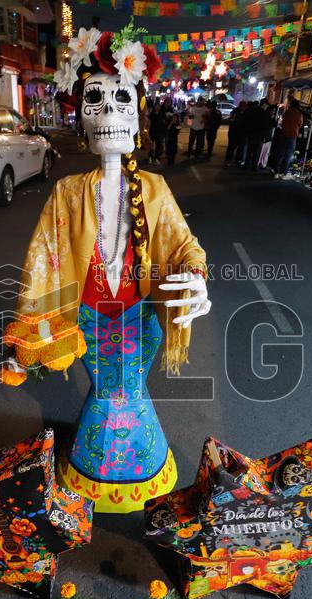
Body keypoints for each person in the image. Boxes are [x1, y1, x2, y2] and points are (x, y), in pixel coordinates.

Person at [18, 26, 211, 514]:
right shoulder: (67, 192)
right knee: (108, 391)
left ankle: (110, 475)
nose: (108, 113)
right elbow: (42, 259)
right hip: (86, 315)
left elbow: (185, 245)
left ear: (138, 117)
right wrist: (27, 332)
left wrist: (193, 279)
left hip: (139, 313)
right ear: (82, 116)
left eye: (121, 99)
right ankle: (105, 473)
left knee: (127, 388)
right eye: (94, 100)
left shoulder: (156, 187)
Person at [273, 97, 303, 179]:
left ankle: (276, 172)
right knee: (288, 156)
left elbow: (282, 122)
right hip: (292, 137)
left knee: (280, 154)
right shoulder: (299, 114)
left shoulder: (286, 112)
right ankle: (284, 173)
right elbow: (300, 125)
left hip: (283, 135)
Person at [244, 99, 271, 171]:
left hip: (251, 133)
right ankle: (253, 166)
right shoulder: (265, 114)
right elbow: (265, 125)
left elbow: (248, 122)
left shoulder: (253, 111)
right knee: (256, 152)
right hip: (259, 135)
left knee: (249, 151)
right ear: (264, 105)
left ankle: (246, 165)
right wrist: (265, 135)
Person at [224, 100, 247, 165]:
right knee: (232, 146)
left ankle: (235, 159)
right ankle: (229, 160)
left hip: (238, 132)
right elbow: (231, 120)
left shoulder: (243, 112)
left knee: (237, 147)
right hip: (234, 132)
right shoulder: (236, 111)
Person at [148, 99, 167, 165]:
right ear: (154, 107)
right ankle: (150, 157)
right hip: (152, 131)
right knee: (151, 145)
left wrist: (165, 120)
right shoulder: (151, 114)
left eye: (159, 106)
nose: (157, 107)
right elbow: (149, 123)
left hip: (159, 132)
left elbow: (164, 123)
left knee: (158, 145)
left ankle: (156, 158)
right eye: (156, 106)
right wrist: (147, 131)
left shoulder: (162, 114)